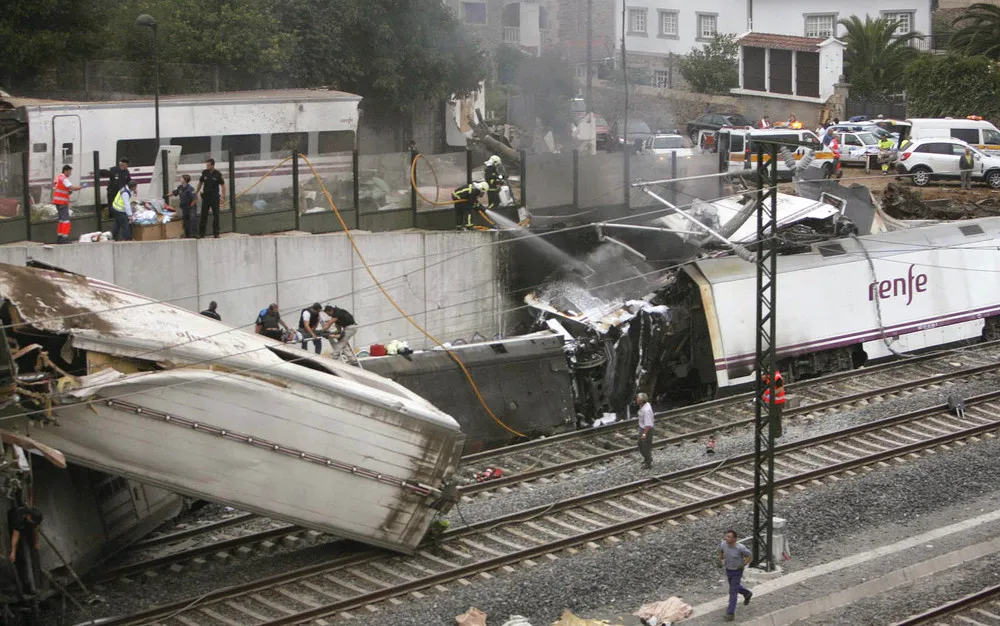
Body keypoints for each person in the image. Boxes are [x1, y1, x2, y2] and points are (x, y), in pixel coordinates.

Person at [719, 530, 753, 621]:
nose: (726, 538)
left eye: (729, 537)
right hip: (728, 569)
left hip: (737, 571)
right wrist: (720, 559)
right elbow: (721, 551)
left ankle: (730, 613)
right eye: (726, 536)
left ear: (734, 539)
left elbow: (749, 555)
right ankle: (747, 593)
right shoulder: (723, 544)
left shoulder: (740, 548)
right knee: (734, 587)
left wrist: (744, 564)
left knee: (733, 592)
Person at [8, 505, 42, 595]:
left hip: (26, 531)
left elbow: (35, 528)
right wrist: (13, 552)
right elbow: (15, 535)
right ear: (28, 517)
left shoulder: (34, 517)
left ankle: (36, 584)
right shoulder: (18, 518)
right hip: (17, 530)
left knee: (34, 556)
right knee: (25, 557)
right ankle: (30, 586)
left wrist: (36, 542)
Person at [195, 158, 225, 238]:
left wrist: (223, 196)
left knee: (216, 215)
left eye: (208, 165)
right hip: (206, 197)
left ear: (212, 165)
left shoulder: (218, 174)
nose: (207, 166)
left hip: (214, 197)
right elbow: (200, 182)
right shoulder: (205, 172)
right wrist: (196, 192)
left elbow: (223, 185)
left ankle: (216, 233)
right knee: (204, 215)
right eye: (206, 165)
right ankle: (202, 233)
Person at [53, 165, 84, 244]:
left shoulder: (58, 177)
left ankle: (59, 237)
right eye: (70, 172)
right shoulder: (64, 179)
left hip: (57, 202)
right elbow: (72, 187)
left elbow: (59, 189)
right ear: (66, 171)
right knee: (66, 221)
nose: (70, 173)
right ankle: (64, 238)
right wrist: (80, 187)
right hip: (63, 203)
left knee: (61, 221)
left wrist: (68, 191)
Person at [761, 369, 786, 438]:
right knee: (773, 417)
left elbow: (780, 389)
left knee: (776, 417)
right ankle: (774, 432)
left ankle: (777, 433)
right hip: (772, 401)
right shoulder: (770, 376)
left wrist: (771, 395)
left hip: (777, 401)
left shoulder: (777, 377)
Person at [172, 174, 198, 238]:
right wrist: (168, 194)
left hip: (191, 207)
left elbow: (195, 199)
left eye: (181, 178)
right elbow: (175, 192)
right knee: (186, 221)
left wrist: (191, 206)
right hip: (184, 207)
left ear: (185, 180)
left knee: (192, 219)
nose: (180, 179)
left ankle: (195, 234)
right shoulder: (180, 187)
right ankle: (188, 235)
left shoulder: (190, 189)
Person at [636, 392, 654, 469]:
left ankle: (648, 463)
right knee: (640, 444)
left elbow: (648, 425)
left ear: (641, 401)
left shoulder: (646, 410)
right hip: (642, 428)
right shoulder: (645, 405)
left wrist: (644, 434)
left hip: (646, 430)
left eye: (638, 399)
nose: (636, 400)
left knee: (645, 447)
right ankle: (647, 458)